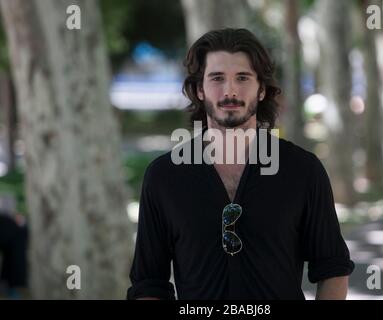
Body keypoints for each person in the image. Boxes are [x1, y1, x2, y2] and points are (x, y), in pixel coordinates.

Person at [127, 28, 354, 300]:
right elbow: (149, 282)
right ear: (200, 89)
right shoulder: (163, 177)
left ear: (261, 90)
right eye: (217, 78)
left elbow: (332, 268)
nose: (230, 90)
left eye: (243, 78)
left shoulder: (303, 171)